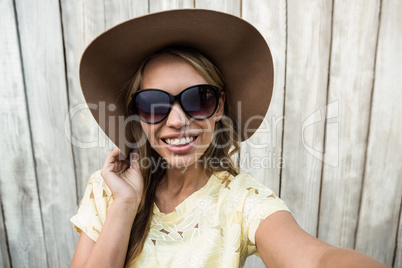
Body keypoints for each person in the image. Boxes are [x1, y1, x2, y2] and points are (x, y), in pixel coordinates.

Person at [70, 9, 388, 268]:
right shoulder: (109, 189)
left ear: (219, 105)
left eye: (198, 99)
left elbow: (314, 258)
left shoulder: (241, 201)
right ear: (138, 113)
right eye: (154, 104)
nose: (178, 121)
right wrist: (125, 204)